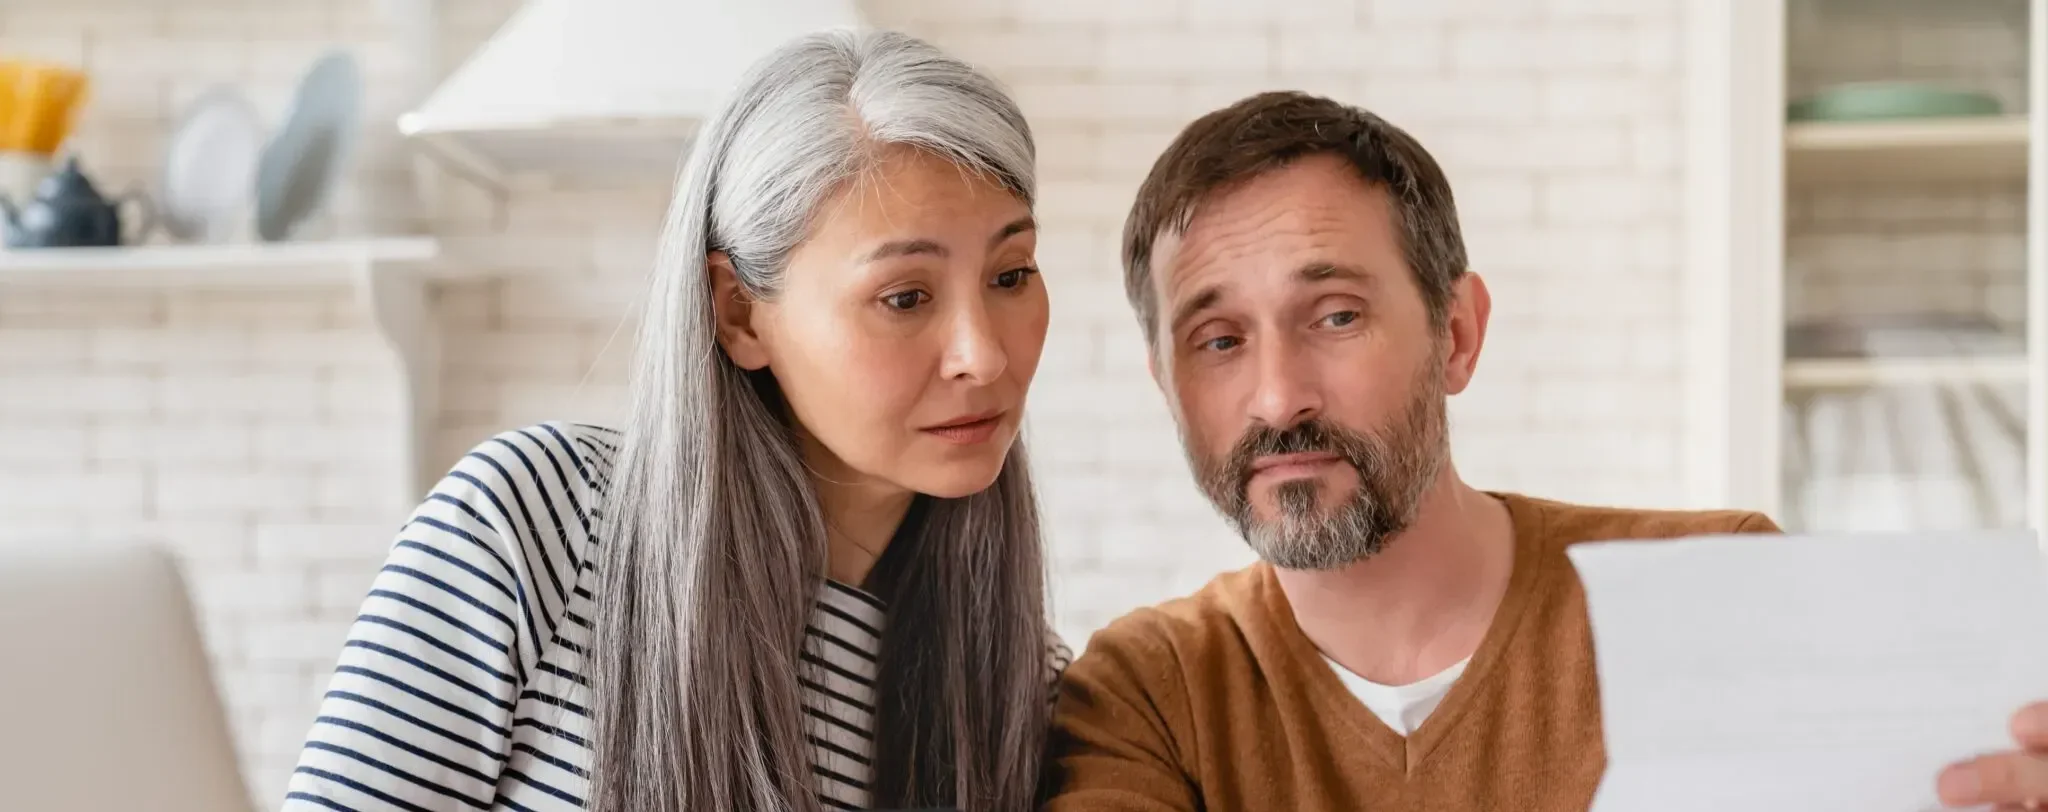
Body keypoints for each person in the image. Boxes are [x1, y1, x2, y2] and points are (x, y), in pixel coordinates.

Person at [1039, 89, 2048, 811]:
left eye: (1336, 315)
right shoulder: (1150, 691)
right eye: (1217, 340)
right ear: (1166, 384)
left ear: (1456, 334)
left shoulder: (1716, 589)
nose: (1276, 395)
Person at [280, 29, 1068, 812]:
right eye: (905, 296)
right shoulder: (532, 529)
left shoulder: (1027, 692)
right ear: (739, 314)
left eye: (1010, 275)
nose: (984, 356)